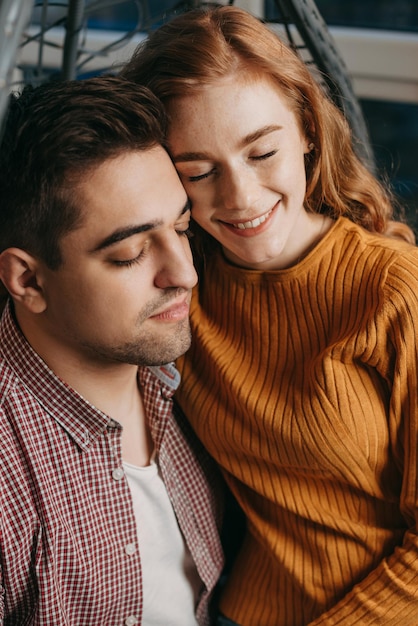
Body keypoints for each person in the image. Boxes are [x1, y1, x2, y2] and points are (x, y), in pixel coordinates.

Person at [121, 5, 418, 625]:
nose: (241, 198)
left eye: (262, 154)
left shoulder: (395, 289)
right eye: (198, 172)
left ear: (308, 128)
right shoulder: (181, 289)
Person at [0, 75, 224, 626]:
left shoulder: (192, 374)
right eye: (129, 253)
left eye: (183, 228)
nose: (184, 274)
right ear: (28, 280)